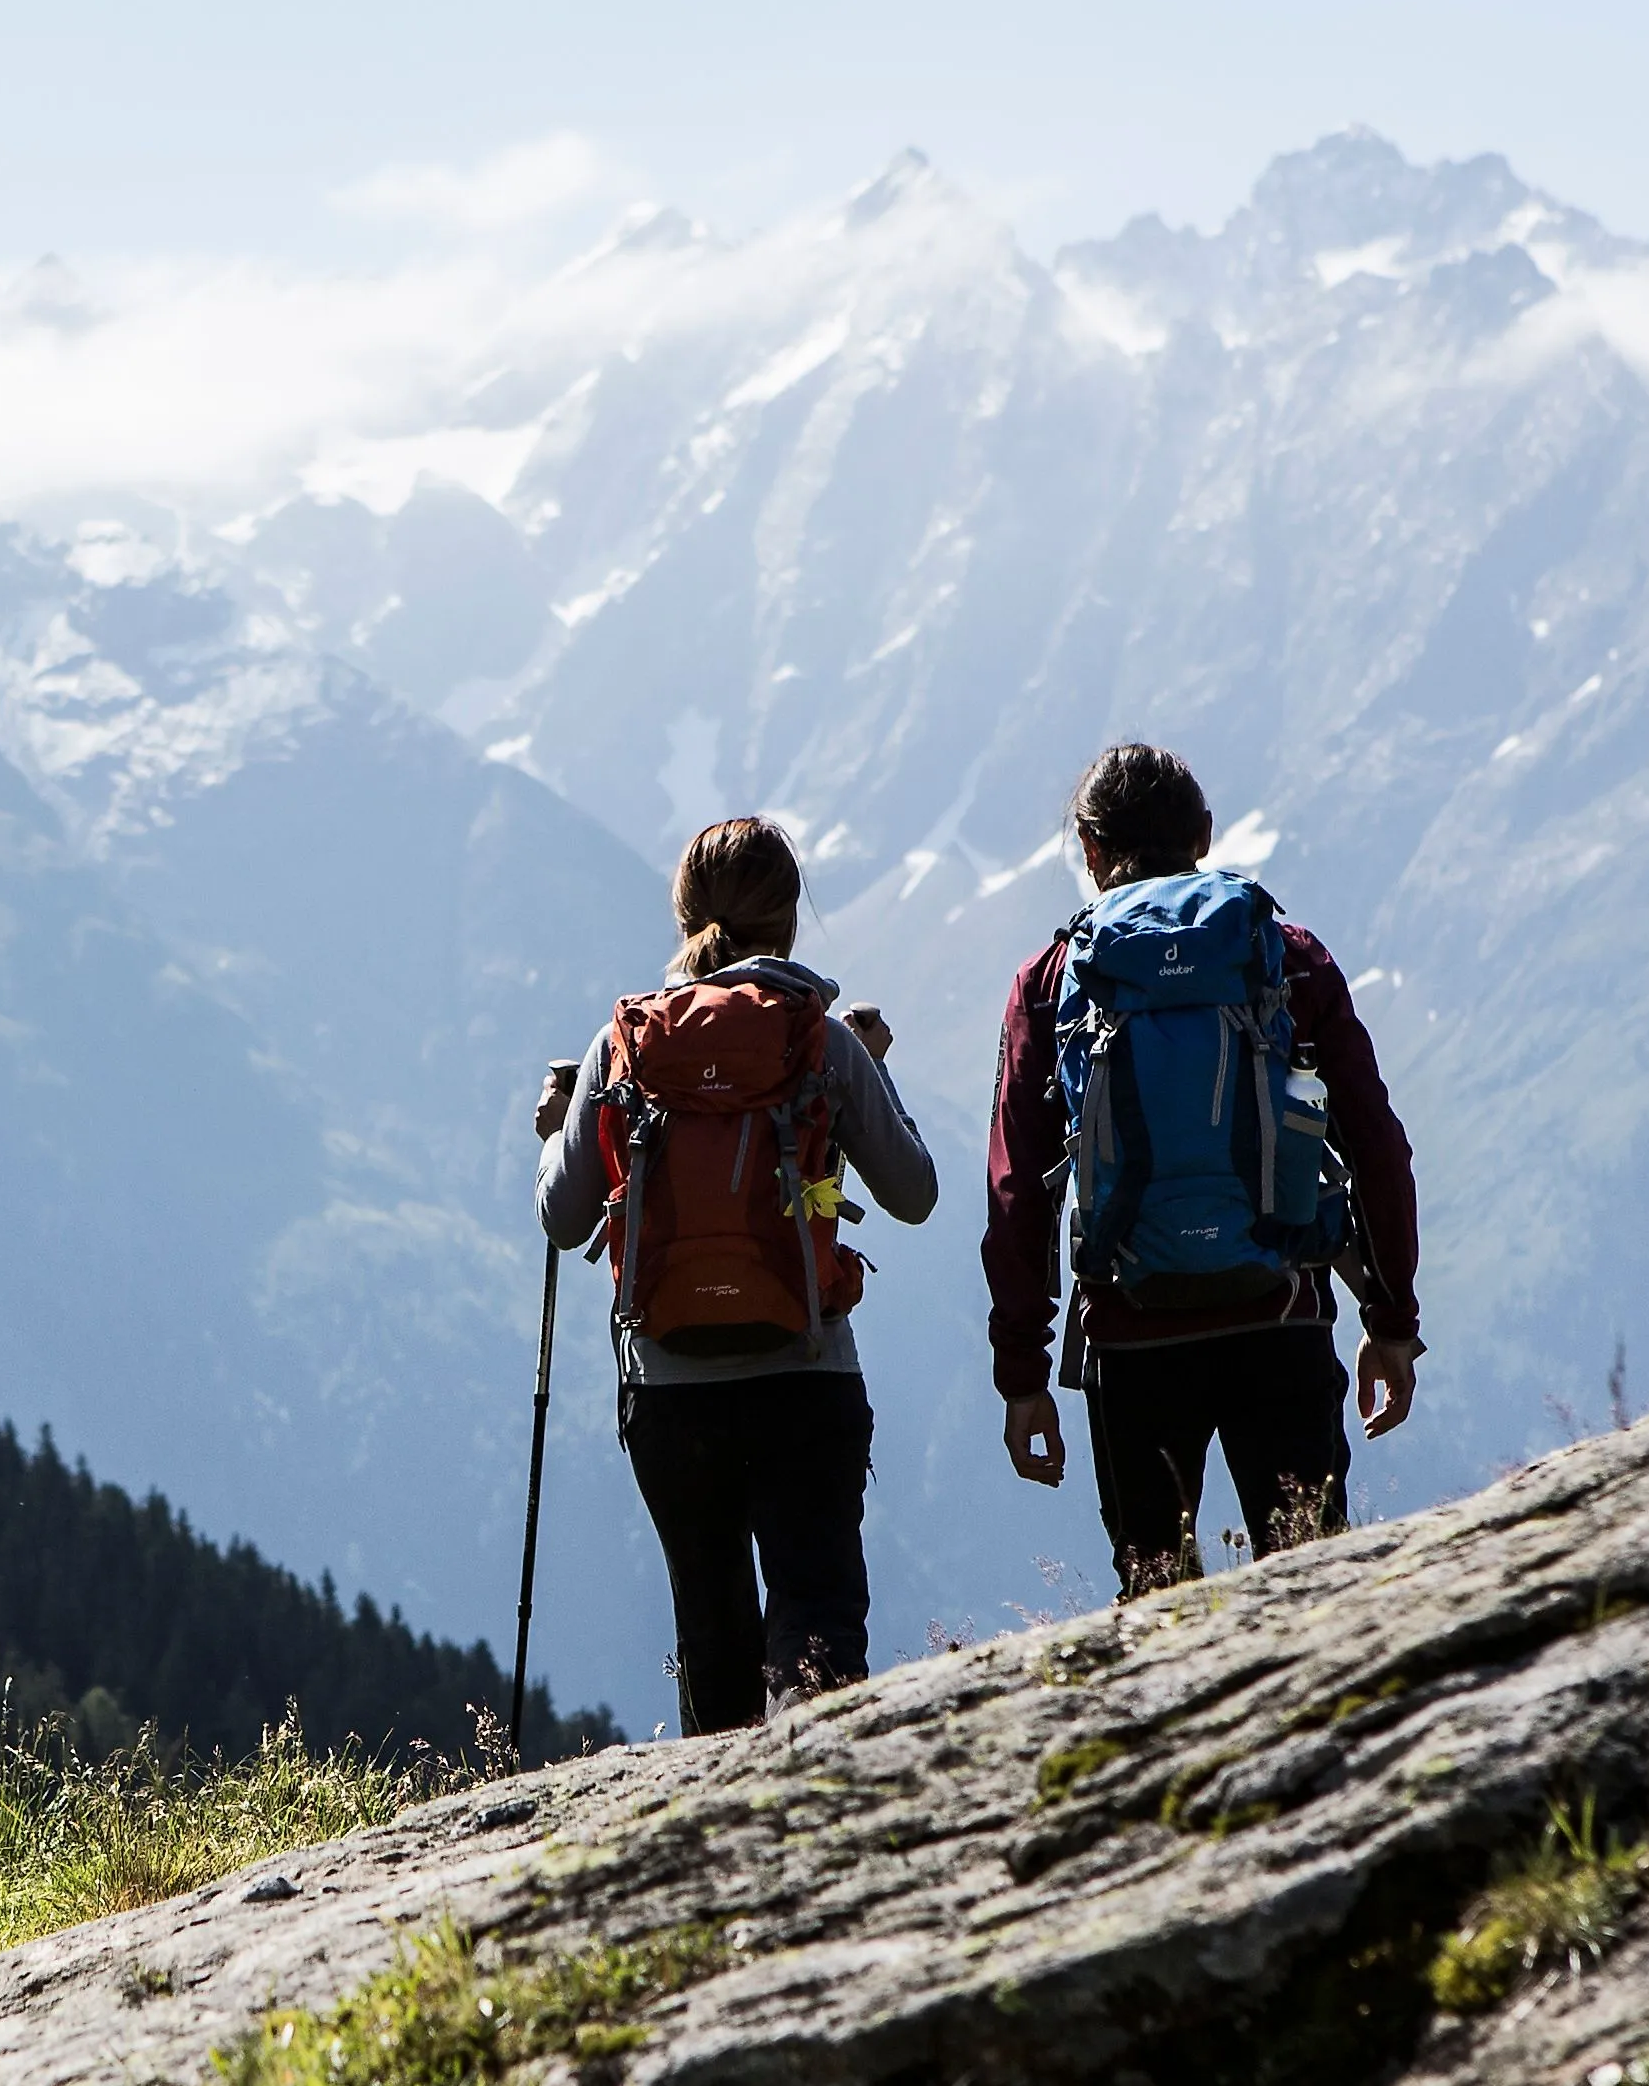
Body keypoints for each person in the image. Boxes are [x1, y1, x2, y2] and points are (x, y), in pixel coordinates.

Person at [535, 815, 943, 1730]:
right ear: (789, 920)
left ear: (684, 917)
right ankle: (824, 1814)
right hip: (805, 1368)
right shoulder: (821, 1041)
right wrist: (873, 1073)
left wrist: (558, 1128)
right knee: (818, 1616)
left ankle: (724, 1843)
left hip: (669, 1386)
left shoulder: (625, 1047)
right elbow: (914, 1193)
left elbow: (562, 1219)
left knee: (710, 1626)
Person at [985, 741, 1420, 1586]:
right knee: (1316, 1591)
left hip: (1130, 1330)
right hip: (1279, 1313)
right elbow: (1373, 1137)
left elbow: (1017, 1190)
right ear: (1206, 836)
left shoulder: (1050, 980)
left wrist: (1023, 1373)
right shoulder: (1284, 954)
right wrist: (1392, 1316)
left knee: (1154, 1600)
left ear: (1090, 852)